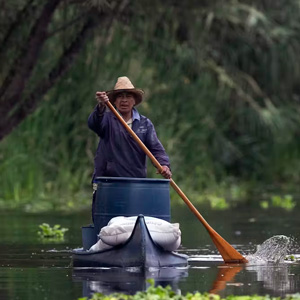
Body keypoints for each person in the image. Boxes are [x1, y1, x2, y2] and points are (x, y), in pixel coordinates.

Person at [88, 76, 172, 218]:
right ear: (114, 101)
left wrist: (164, 165)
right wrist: (101, 106)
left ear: (134, 101)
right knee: (106, 218)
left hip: (134, 182)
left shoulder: (145, 124)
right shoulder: (106, 119)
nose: (124, 100)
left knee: (133, 216)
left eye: (128, 96)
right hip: (107, 181)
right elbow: (94, 124)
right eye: (120, 96)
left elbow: (156, 148)